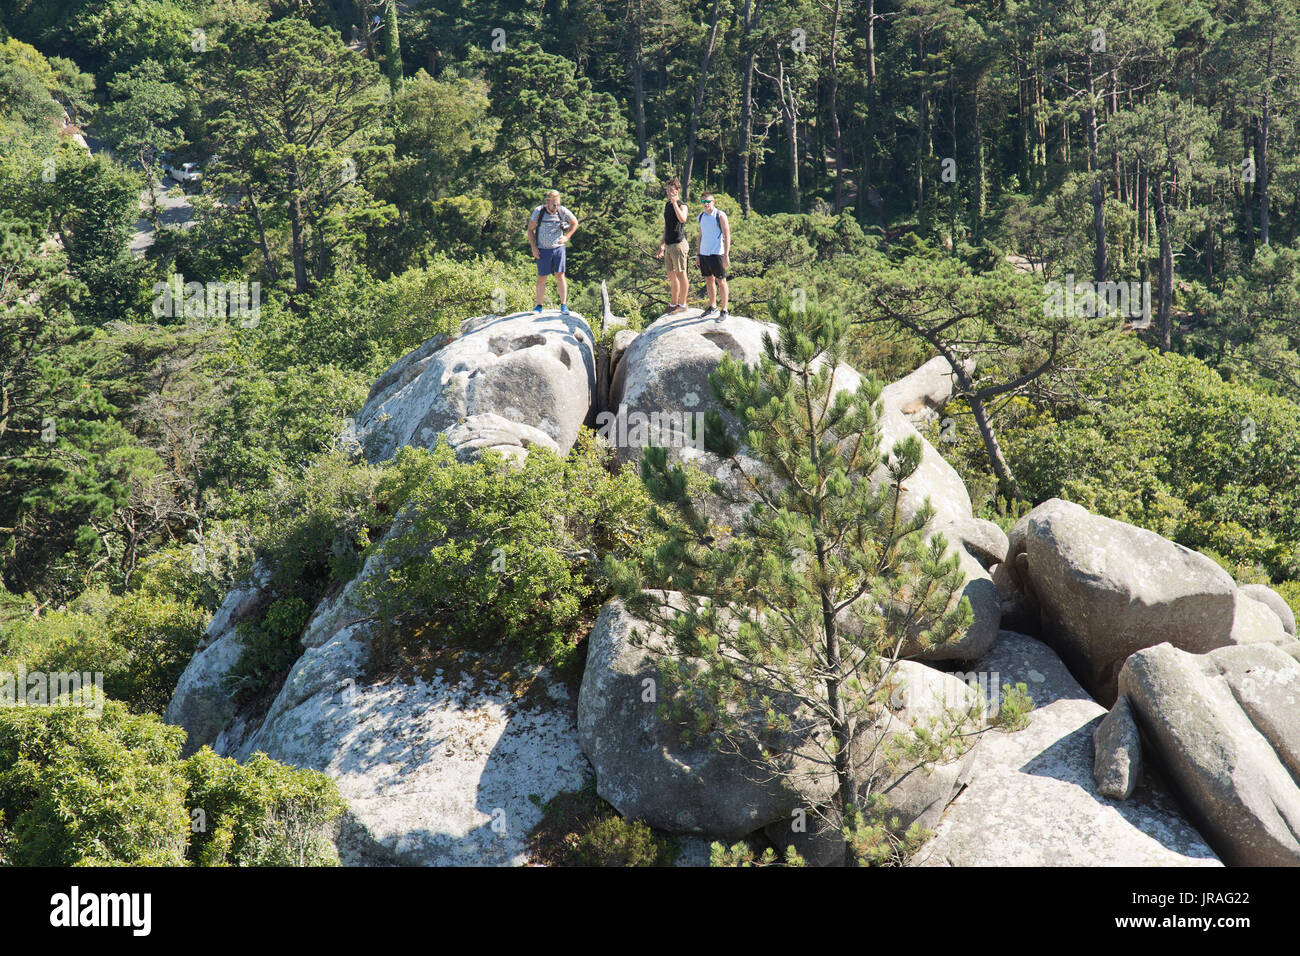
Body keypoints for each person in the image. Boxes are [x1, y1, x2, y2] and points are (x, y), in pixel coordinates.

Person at [527, 189, 578, 314]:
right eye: (554, 204)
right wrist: (534, 248)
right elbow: (530, 230)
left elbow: (574, 223)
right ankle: (539, 306)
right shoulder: (539, 212)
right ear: (548, 202)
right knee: (542, 277)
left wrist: (567, 236)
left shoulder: (562, 211)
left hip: (558, 248)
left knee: (560, 275)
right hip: (543, 249)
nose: (556, 206)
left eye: (558, 203)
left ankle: (564, 305)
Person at [655, 178, 690, 314]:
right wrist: (662, 245)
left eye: (672, 190)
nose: (669, 193)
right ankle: (673, 303)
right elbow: (666, 226)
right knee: (671, 276)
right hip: (669, 244)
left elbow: (682, 219)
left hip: (679, 244)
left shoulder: (682, 205)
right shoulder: (667, 205)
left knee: (681, 274)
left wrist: (675, 203)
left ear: (678, 191)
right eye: (668, 190)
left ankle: (683, 304)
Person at [696, 192, 730, 321]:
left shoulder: (720, 215)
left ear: (713, 201)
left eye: (708, 201)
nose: (706, 204)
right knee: (708, 280)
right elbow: (700, 236)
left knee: (721, 281)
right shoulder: (701, 217)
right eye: (703, 202)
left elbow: (727, 235)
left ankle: (725, 309)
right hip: (704, 254)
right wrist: (698, 255)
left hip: (717, 253)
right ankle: (712, 306)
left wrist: (726, 255)